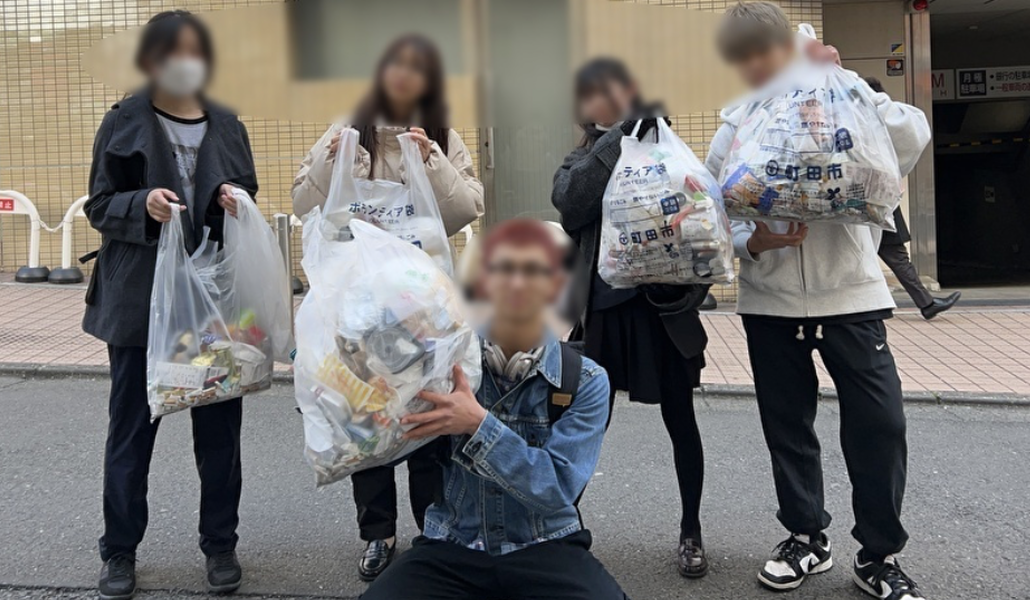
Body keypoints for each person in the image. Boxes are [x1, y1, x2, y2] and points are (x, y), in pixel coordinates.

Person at [707, 4, 931, 599]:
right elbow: (714, 208)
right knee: (787, 425)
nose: (754, 64)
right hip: (770, 300)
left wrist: (852, 79)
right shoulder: (739, 121)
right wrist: (753, 239)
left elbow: (910, 138)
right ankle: (807, 537)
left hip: (851, 293)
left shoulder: (843, 95)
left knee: (879, 424)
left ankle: (878, 555)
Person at [291, 33, 485, 581]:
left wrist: (434, 160)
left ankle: (432, 530)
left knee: (425, 419)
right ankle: (377, 534)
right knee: (366, 421)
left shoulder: (440, 137)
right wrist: (333, 162)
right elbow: (304, 204)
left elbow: (467, 210)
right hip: (357, 315)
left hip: (424, 315)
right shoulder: (346, 131)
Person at [83, 10, 258, 600]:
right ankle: (119, 551)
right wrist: (142, 205)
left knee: (219, 428)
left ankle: (220, 546)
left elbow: (246, 189)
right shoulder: (124, 119)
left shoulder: (227, 121)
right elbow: (100, 204)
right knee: (132, 429)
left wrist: (234, 199)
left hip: (211, 298)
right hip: (140, 300)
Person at [360, 219, 629, 600]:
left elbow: (558, 490)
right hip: (453, 542)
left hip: (544, 543)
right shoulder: (445, 359)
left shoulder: (584, 380)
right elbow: (380, 429)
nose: (518, 283)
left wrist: (478, 424)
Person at [551, 58, 712, 579]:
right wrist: (617, 137)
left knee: (681, 422)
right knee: (582, 425)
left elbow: (703, 223)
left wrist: (688, 292)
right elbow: (571, 205)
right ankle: (562, 529)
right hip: (603, 317)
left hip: (662, 314)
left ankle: (691, 530)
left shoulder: (669, 153)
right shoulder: (578, 163)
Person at [862, 77, 961, 321]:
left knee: (886, 255)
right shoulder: (874, 125)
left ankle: (923, 303)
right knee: (895, 255)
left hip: (872, 201)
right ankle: (925, 304)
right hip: (877, 202)